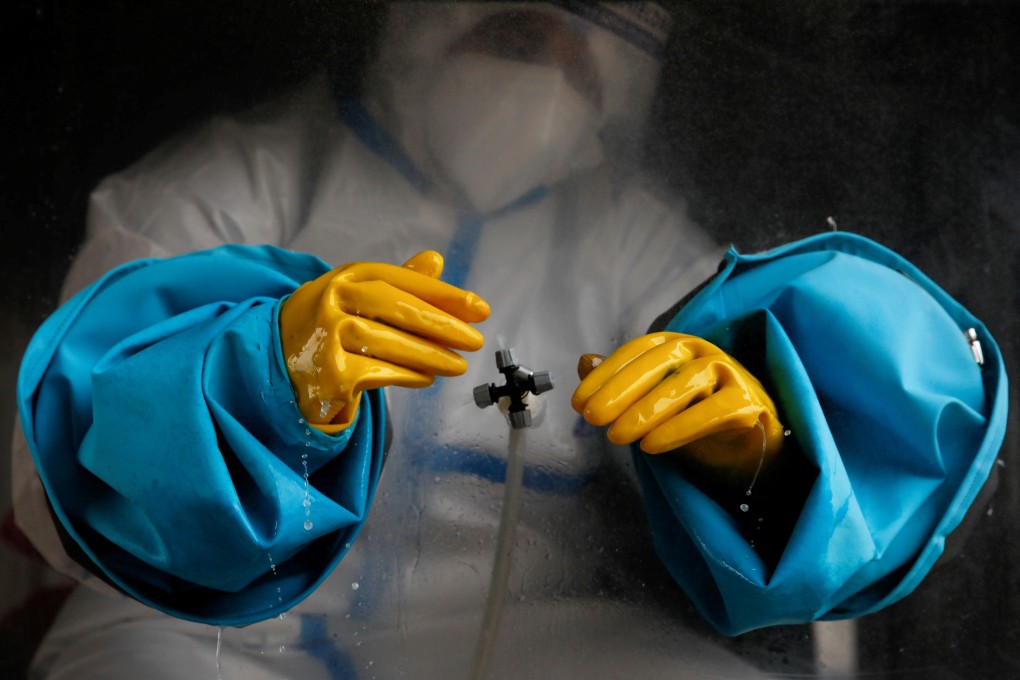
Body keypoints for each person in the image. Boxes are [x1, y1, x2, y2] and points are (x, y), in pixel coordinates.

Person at [13, 3, 777, 678]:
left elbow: (784, 458)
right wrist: (255, 378)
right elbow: (57, 476)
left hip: (526, 624)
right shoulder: (230, 182)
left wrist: (755, 462)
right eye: (513, 29)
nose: (549, 44)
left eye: (581, 30)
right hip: (198, 625)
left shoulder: (630, 239)